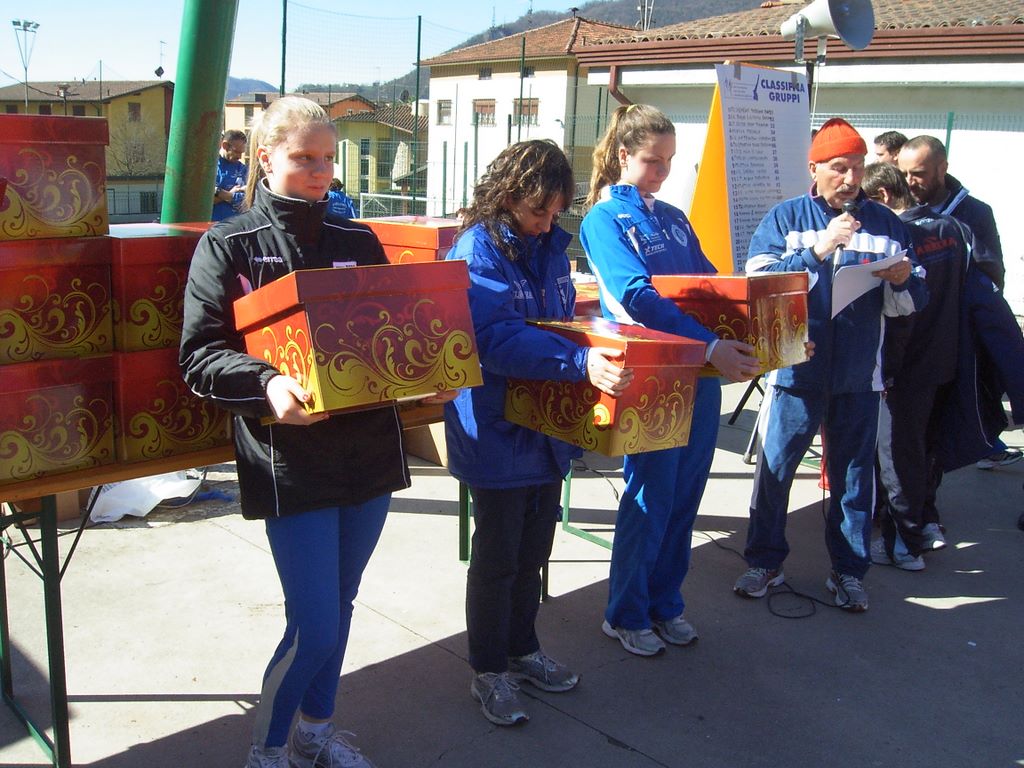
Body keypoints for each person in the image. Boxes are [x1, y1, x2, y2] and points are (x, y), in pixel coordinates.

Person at [181, 96, 409, 768]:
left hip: (369, 450)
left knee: (341, 605)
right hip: (292, 460)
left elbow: (392, 329)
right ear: (266, 156)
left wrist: (428, 367)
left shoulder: (358, 240)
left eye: (327, 158)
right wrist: (268, 384)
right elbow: (199, 356)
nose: (319, 171)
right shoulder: (228, 244)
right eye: (303, 157)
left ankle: (317, 729)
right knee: (314, 625)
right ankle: (270, 746)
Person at [445, 139, 634, 726]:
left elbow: (557, 319)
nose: (548, 223)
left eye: (556, 212)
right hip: (496, 426)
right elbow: (492, 337)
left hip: (547, 423)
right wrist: (578, 361)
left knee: (534, 552)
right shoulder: (477, 250)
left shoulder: (549, 247)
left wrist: (593, 344)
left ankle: (523, 649)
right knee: (498, 556)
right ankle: (488, 669)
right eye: (538, 211)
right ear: (508, 196)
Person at [580, 104, 761, 656]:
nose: (662, 172)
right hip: (652, 372)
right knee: (651, 495)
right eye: (652, 161)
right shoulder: (604, 219)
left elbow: (709, 287)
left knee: (686, 494)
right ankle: (626, 613)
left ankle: (665, 603)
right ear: (622, 155)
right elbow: (635, 295)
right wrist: (708, 345)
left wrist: (770, 329)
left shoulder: (675, 217)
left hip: (699, 373)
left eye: (669, 162)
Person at [735, 117, 927, 612]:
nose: (851, 178)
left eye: (858, 167)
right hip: (795, 371)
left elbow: (913, 299)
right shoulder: (785, 218)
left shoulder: (887, 223)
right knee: (776, 472)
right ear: (814, 168)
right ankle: (764, 562)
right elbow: (758, 287)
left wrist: (903, 278)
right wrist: (819, 249)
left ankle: (848, 572)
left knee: (854, 481)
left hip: (860, 376)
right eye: (839, 167)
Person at [861, 162, 970, 567]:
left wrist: (887, 369)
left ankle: (903, 545)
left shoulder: (899, 238)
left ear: (883, 197)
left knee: (897, 457)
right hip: (943, 359)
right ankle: (925, 523)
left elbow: (902, 315)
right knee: (924, 451)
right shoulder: (950, 228)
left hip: (905, 366)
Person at [896, 136, 1018, 470]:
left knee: (945, 426)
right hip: (910, 341)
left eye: (918, 173)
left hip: (954, 339)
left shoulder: (973, 213)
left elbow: (990, 275)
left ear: (942, 169)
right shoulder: (896, 209)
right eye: (903, 173)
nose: (909, 182)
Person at [212, 128, 249, 221]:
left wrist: (221, 193)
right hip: (212, 224)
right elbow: (205, 201)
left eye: (241, 153)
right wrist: (231, 194)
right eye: (236, 152)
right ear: (225, 146)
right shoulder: (211, 168)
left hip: (236, 223)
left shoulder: (243, 169)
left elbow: (246, 199)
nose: (239, 157)